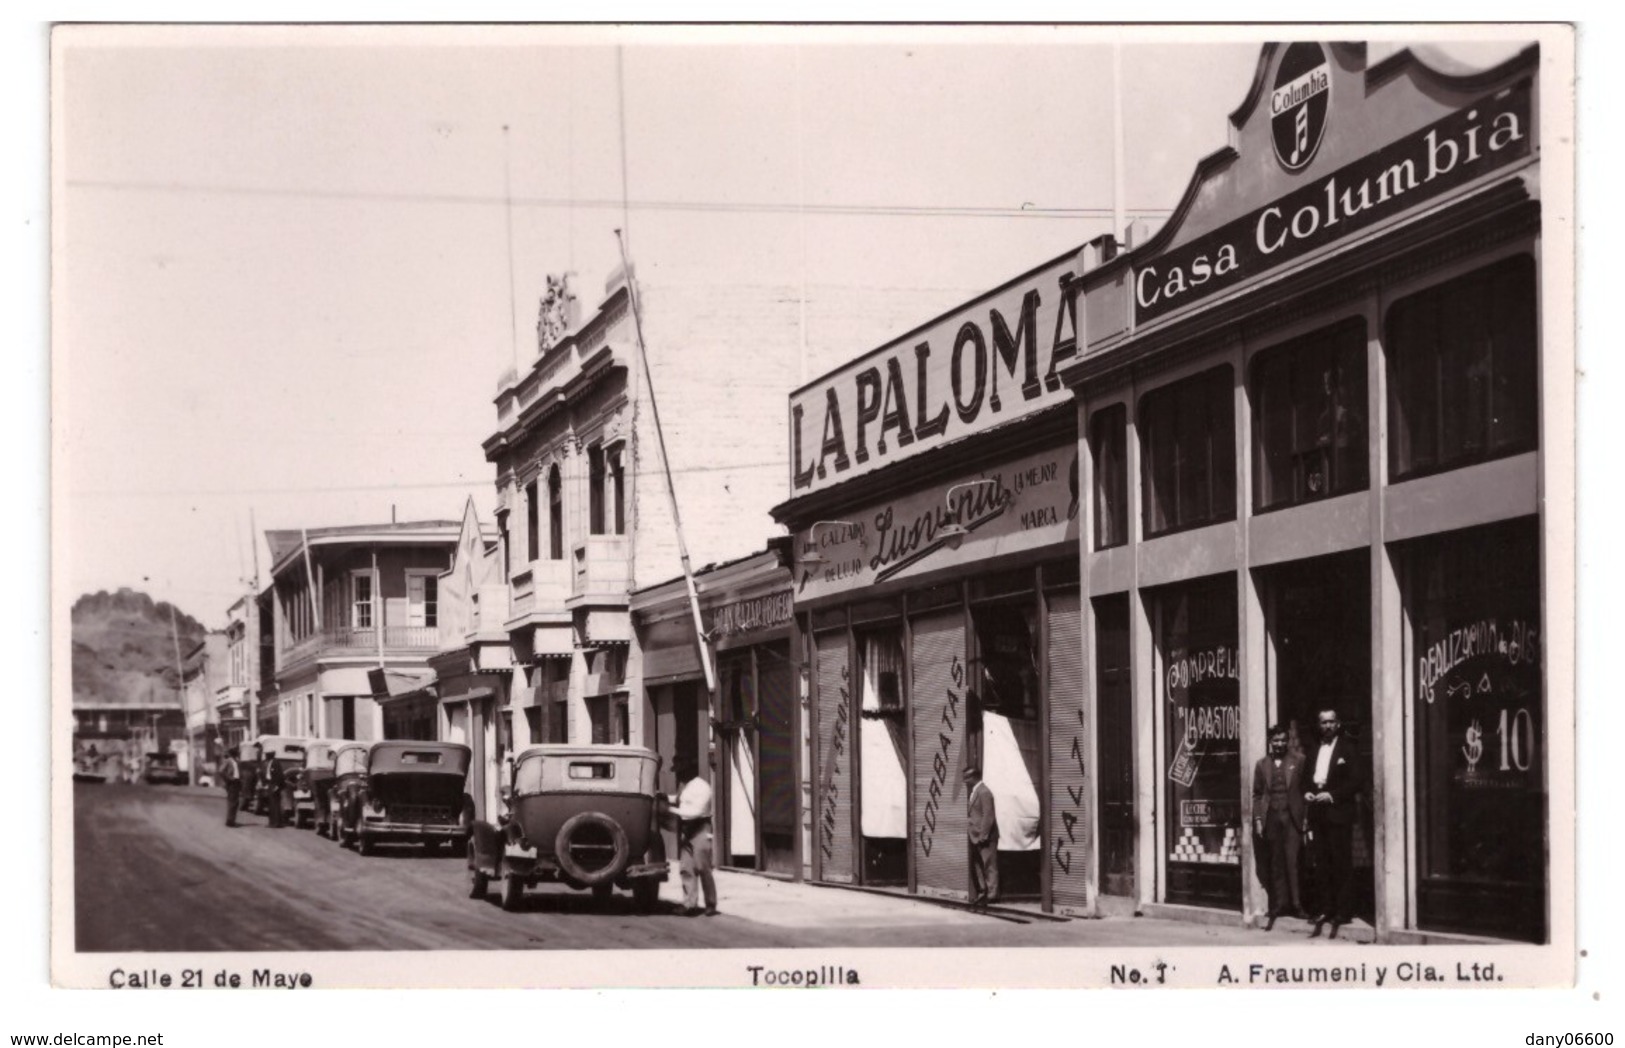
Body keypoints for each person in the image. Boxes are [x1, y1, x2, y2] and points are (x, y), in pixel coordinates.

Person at [1303, 707, 1364, 938]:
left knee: (1341, 862)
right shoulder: (1313, 749)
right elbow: (1305, 780)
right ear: (1319, 725)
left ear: (1338, 724)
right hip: (1318, 813)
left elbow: (1357, 780)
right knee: (1322, 863)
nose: (1327, 726)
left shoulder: (1348, 747)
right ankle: (1326, 908)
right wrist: (1307, 792)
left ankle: (1343, 911)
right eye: (1323, 723)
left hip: (1338, 812)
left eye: (1331, 722)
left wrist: (1333, 795)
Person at [1251, 724, 1306, 929]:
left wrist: (1305, 819)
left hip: (1292, 818)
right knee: (1275, 862)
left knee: (1293, 861)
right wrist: (1258, 819)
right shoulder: (1261, 764)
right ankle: (1279, 905)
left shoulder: (1299, 760)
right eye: (1276, 740)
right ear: (1270, 742)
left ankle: (1298, 904)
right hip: (1271, 817)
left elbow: (1304, 790)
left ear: (1288, 740)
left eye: (1283, 740)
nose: (1280, 743)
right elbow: (1257, 794)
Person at [670, 758, 717, 917]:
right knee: (686, 868)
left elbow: (695, 812)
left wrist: (671, 811)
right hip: (687, 829)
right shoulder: (685, 786)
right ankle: (689, 903)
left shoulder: (702, 787)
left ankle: (710, 904)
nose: (678, 774)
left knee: (703, 867)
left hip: (701, 827)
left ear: (689, 770)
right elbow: (680, 802)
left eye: (680, 770)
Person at [964, 765, 999, 911]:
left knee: (989, 864)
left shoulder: (984, 792)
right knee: (979, 865)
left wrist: (983, 836)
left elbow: (988, 815)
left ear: (974, 777)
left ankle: (992, 894)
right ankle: (984, 891)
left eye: (967, 778)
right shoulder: (975, 791)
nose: (965, 781)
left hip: (984, 837)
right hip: (975, 836)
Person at [263, 753, 286, 828]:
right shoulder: (269, 762)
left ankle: (276, 823)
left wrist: (277, 785)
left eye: (267, 754)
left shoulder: (275, 762)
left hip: (274, 784)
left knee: (275, 804)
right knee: (271, 804)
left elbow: (279, 775)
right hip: (270, 783)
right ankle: (272, 822)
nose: (266, 755)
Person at [221, 746, 242, 828]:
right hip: (232, 782)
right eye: (236, 752)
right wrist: (229, 779)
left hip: (237, 782)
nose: (238, 753)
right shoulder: (228, 761)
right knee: (232, 802)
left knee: (235, 802)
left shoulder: (236, 761)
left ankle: (232, 820)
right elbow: (221, 771)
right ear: (234, 753)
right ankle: (230, 821)